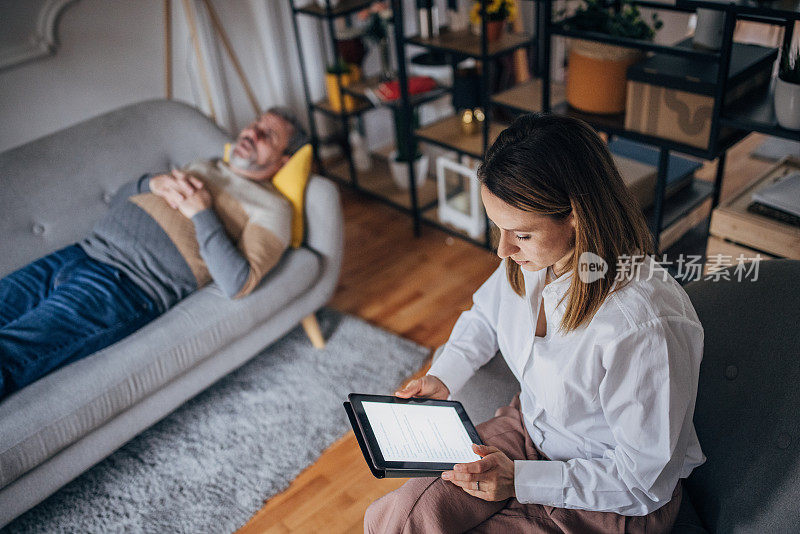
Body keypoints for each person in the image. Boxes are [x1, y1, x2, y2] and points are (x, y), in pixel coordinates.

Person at [365, 113, 705, 534]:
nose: (503, 250)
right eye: (498, 229)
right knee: (399, 519)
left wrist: (520, 482)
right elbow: (486, 317)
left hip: (608, 499)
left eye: (520, 234)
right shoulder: (536, 259)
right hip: (529, 433)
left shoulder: (643, 326)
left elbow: (644, 482)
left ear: (577, 217)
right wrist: (442, 377)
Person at [0, 107, 309, 400]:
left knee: (9, 352)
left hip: (125, 286)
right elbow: (118, 200)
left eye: (268, 135)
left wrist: (203, 213)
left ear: (284, 161)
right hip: (81, 250)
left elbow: (238, 282)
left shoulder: (273, 208)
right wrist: (151, 182)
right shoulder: (206, 165)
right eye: (255, 124)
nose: (251, 133)